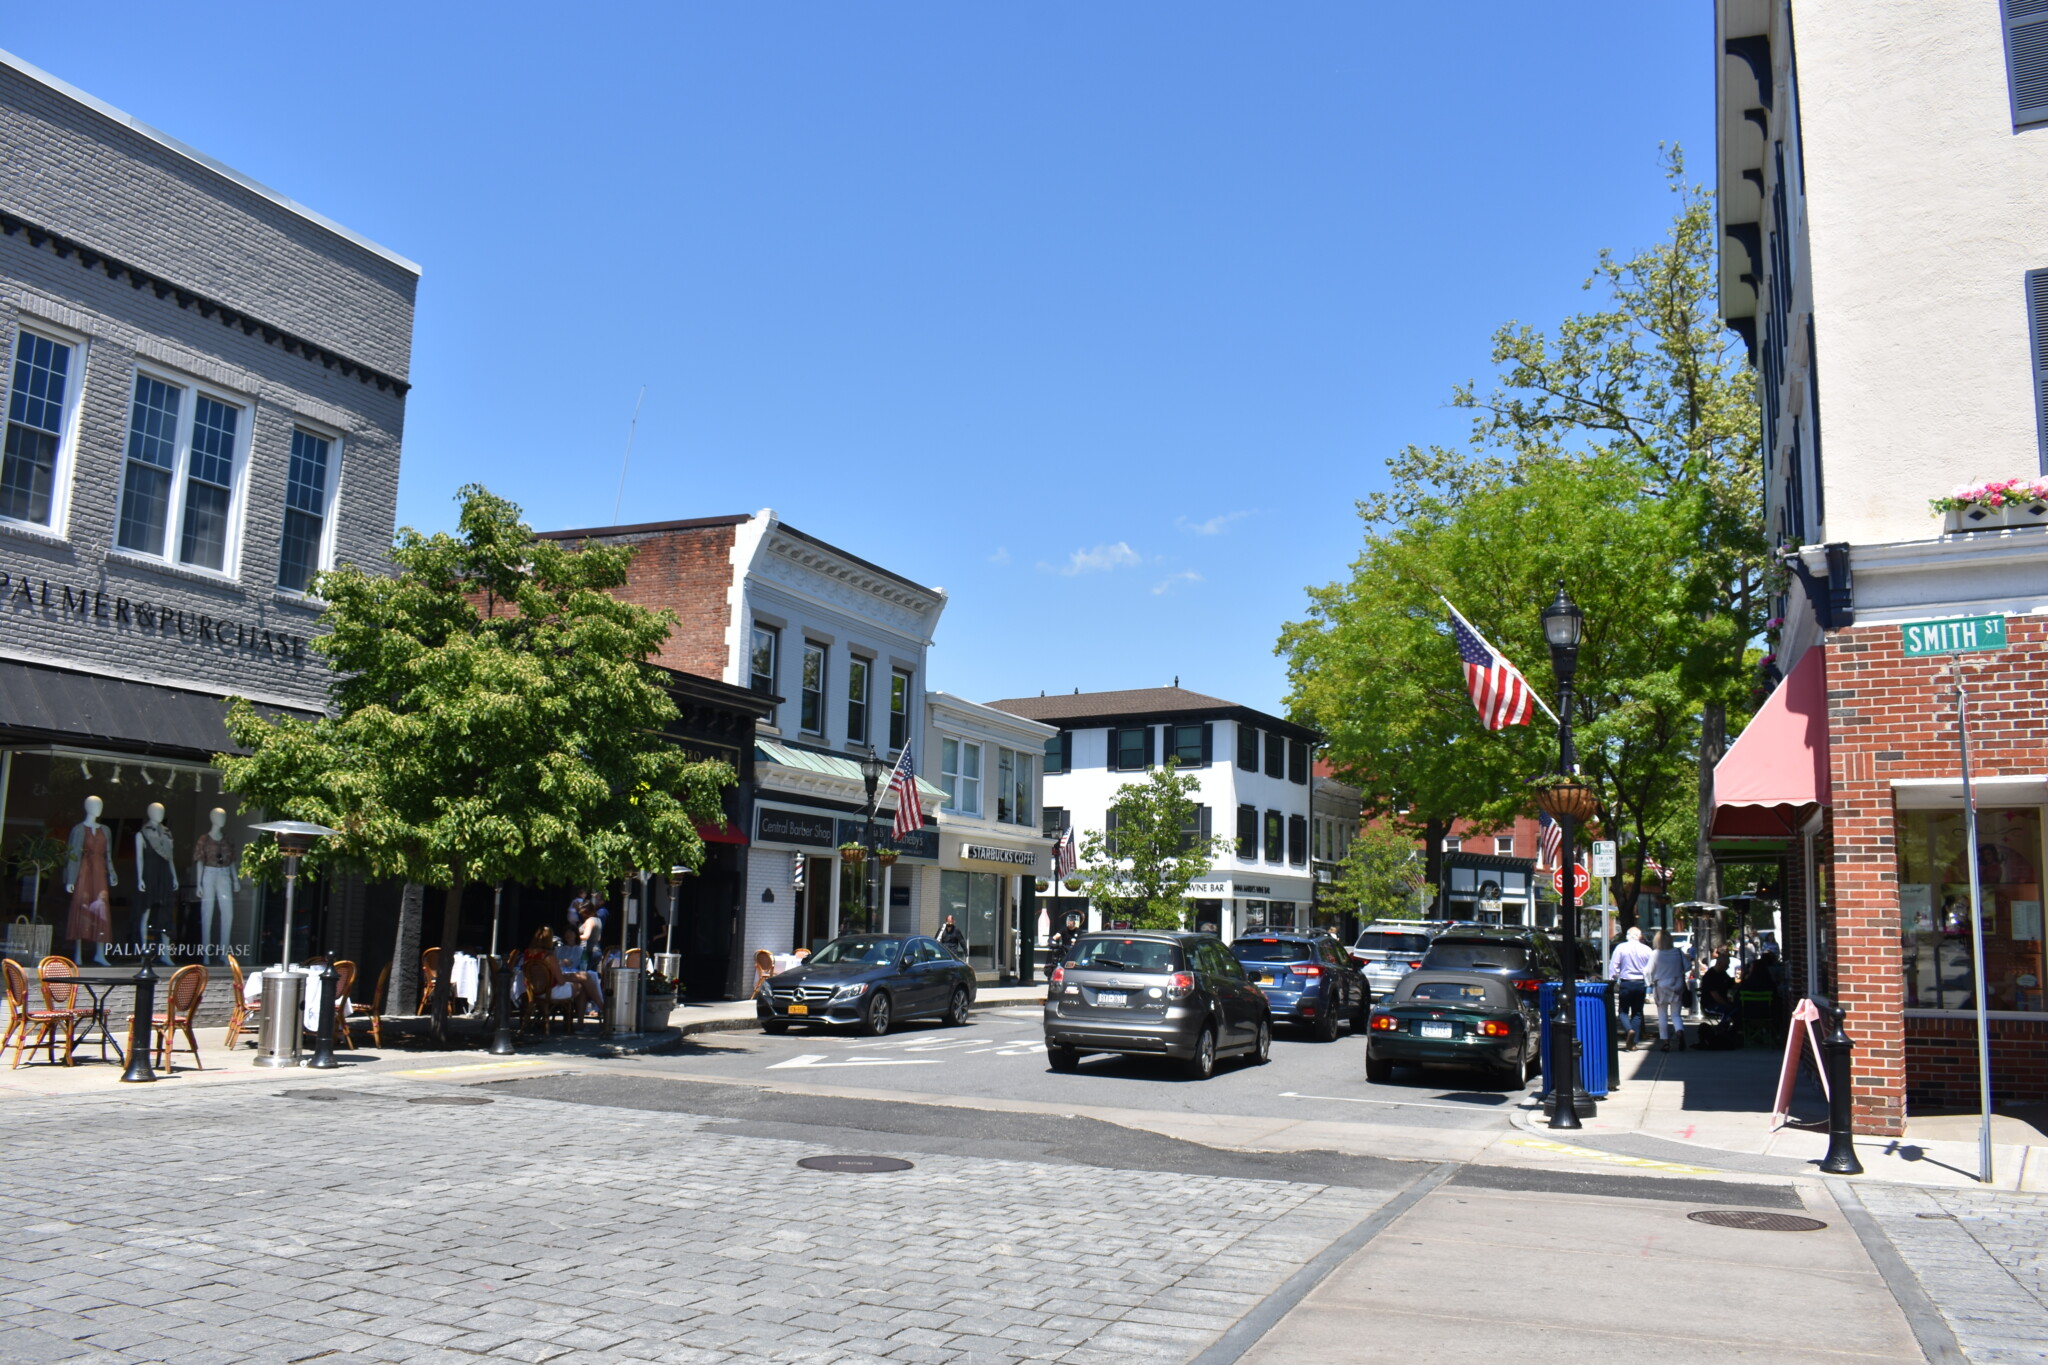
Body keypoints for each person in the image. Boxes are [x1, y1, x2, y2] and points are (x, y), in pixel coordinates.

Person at [1608, 925, 1654, 1051]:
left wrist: (1612, 980)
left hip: (1626, 982)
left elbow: (1614, 966)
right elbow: (1651, 968)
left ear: (1628, 935)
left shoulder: (1621, 948)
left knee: (1623, 1011)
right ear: (1639, 936)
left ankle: (1629, 1030)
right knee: (1637, 1012)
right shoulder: (1646, 949)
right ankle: (1633, 1042)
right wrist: (1649, 982)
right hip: (1640, 983)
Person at [1647, 930, 1688, 1052]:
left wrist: (1649, 982)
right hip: (1677, 983)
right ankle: (1679, 1031)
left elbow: (1648, 971)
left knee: (1662, 1015)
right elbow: (1687, 966)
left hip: (1661, 985)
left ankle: (1665, 1042)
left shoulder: (1655, 954)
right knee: (1676, 1014)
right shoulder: (1678, 952)